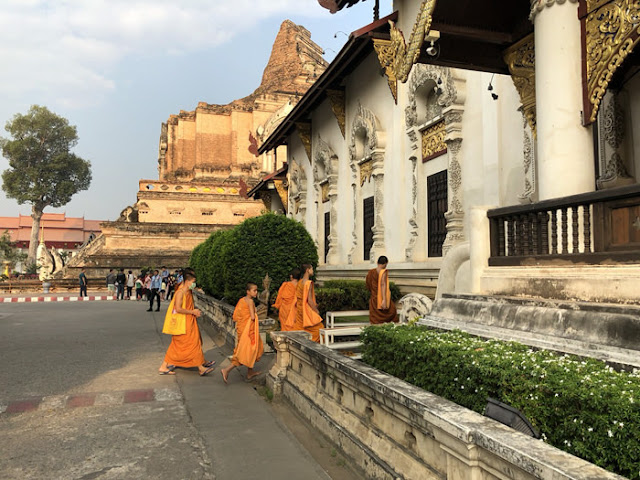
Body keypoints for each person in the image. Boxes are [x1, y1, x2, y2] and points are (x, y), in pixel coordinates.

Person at [158, 268, 215, 376]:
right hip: (183, 323)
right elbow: (178, 309)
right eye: (193, 282)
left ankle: (165, 366)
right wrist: (192, 311)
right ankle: (200, 367)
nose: (194, 284)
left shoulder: (187, 291)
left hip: (189, 321)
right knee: (190, 343)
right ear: (187, 281)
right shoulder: (180, 292)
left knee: (193, 342)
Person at [220, 282, 264, 383]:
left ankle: (250, 372)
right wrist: (257, 313)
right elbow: (252, 317)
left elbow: (236, 316)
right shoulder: (250, 302)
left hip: (242, 329)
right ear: (248, 291)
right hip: (248, 331)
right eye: (254, 290)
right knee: (245, 352)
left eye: (256, 290)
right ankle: (226, 370)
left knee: (250, 351)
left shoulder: (241, 300)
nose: (256, 292)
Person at [293, 264, 324, 342]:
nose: (312, 271)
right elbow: (309, 300)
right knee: (319, 329)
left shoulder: (299, 282)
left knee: (301, 328)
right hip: (306, 308)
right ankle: (312, 346)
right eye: (312, 269)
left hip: (299, 309)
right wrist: (316, 310)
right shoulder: (308, 283)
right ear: (307, 270)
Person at [365, 256, 398, 324]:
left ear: (377, 262)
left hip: (374, 298)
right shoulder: (383, 272)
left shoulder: (371, 272)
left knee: (375, 318)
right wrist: (384, 300)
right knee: (392, 311)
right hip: (380, 297)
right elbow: (383, 285)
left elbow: (368, 284)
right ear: (385, 263)